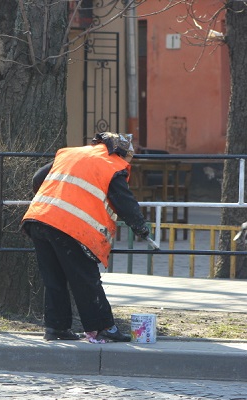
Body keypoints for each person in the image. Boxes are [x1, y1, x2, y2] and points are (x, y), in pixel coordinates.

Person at [21, 132, 150, 343]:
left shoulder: (70, 153)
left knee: (54, 279)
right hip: (69, 226)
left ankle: (56, 328)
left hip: (38, 219)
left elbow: (37, 178)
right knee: (86, 278)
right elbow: (123, 200)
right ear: (120, 153)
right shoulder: (111, 164)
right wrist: (140, 227)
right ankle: (103, 327)